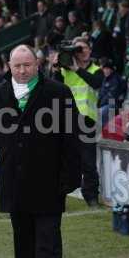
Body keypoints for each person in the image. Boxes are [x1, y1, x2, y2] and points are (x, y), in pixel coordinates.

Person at [0, 44, 81, 258]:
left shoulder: (58, 93)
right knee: (23, 245)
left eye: (27, 65)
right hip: (14, 184)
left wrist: (71, 177)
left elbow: (72, 139)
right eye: (17, 66)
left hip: (49, 183)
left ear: (37, 65)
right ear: (9, 66)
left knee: (48, 245)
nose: (22, 70)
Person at [53, 36, 103, 207]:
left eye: (84, 48)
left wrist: (77, 69)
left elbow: (96, 84)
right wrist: (55, 68)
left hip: (87, 121)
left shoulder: (97, 70)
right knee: (62, 160)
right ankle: (58, 195)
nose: (82, 52)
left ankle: (91, 197)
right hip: (67, 119)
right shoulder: (65, 69)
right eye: (78, 49)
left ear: (90, 50)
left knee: (88, 162)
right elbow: (53, 87)